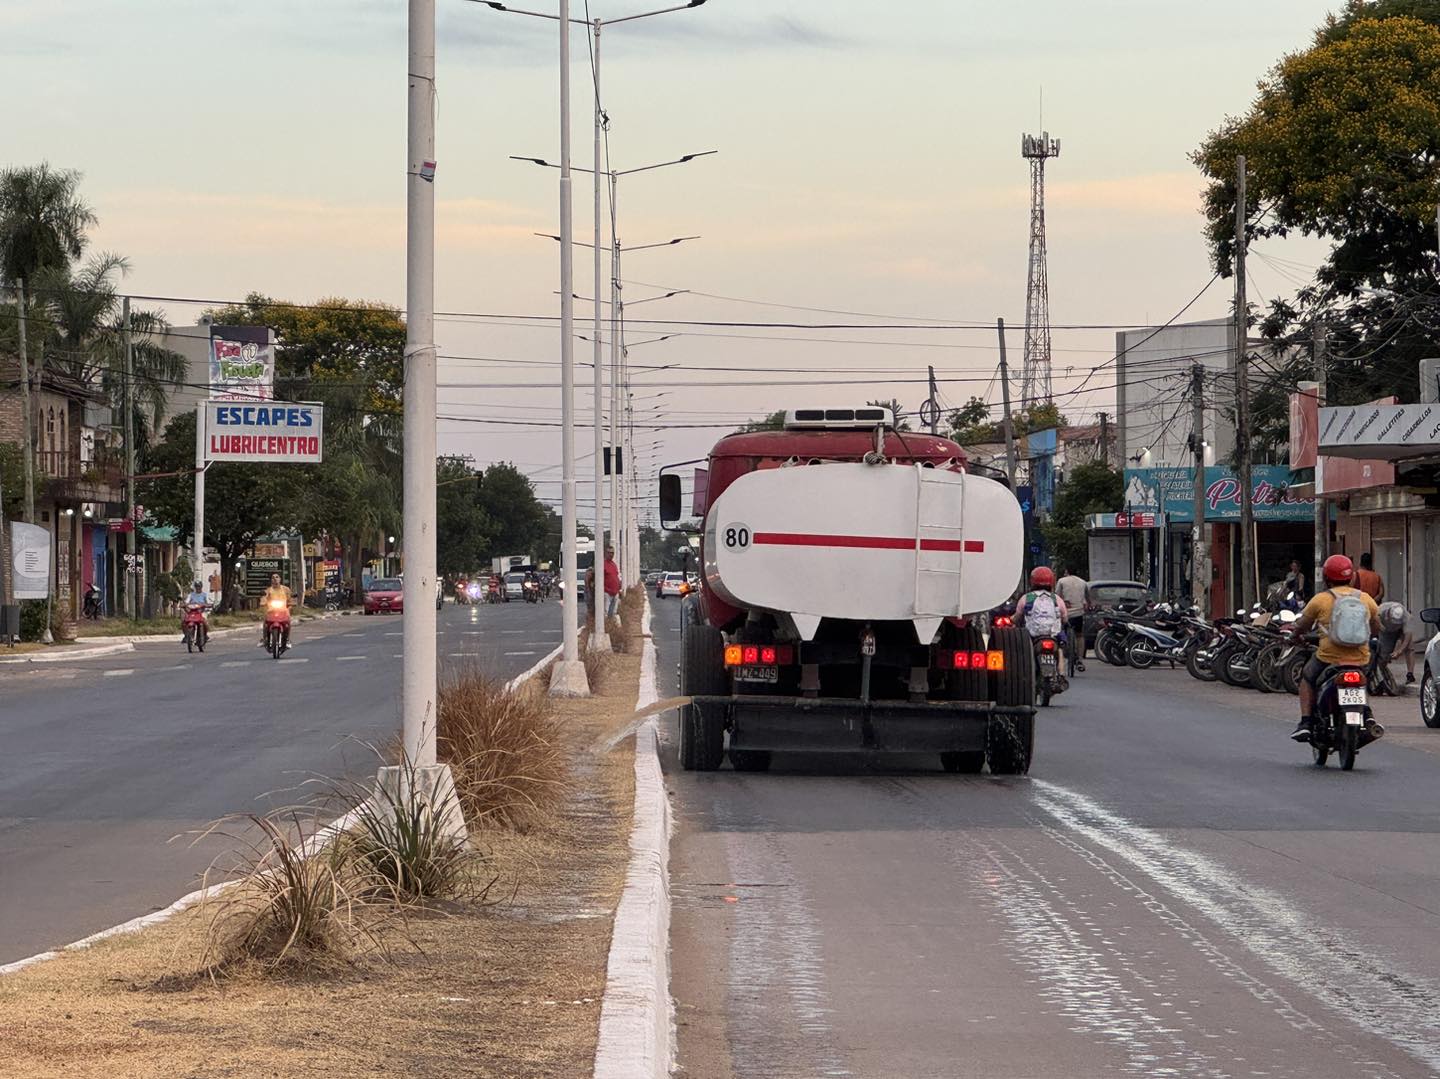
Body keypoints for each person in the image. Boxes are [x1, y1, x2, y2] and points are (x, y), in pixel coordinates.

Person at [1288, 553, 1382, 742]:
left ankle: (1306, 722)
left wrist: (1294, 636)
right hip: (1360, 657)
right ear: (1352, 576)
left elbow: (1302, 626)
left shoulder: (1320, 600)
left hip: (1328, 657)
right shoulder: (1365, 599)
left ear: (1326, 577)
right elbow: (1376, 627)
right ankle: (1368, 715)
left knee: (1307, 678)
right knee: (1363, 680)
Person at [1015, 566, 1069, 643]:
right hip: (1053, 635)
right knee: (1061, 645)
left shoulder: (1026, 598)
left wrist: (1010, 620)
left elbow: (1017, 616)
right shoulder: (1056, 598)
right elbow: (1065, 618)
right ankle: (1061, 654)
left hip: (1032, 636)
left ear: (1032, 581)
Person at [1054, 565, 1088, 671]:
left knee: (1060, 633)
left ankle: (1062, 655)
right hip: (1079, 613)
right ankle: (1080, 660)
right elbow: (1087, 598)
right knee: (1079, 635)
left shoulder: (1062, 581)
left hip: (1066, 614)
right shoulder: (1083, 582)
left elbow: (1057, 596)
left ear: (1066, 571)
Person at [1377, 600, 1416, 685]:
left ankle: (1410, 674)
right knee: (1383, 653)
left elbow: (1407, 636)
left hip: (1401, 630)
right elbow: (1374, 619)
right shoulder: (1381, 609)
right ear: (1388, 614)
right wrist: (1381, 628)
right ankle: (1381, 672)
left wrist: (1400, 650)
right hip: (1385, 630)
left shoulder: (1407, 617)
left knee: (1410, 648)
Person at [259, 572, 295, 646]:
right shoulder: (269, 590)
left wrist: (290, 605)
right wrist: (263, 602)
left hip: (283, 610)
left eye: (277, 577)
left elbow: (290, 600)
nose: (275, 579)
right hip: (271, 610)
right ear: (271, 580)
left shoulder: (286, 589)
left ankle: (287, 639)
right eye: (273, 577)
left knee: (288, 622)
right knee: (265, 623)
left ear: (280, 579)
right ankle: (264, 638)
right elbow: (264, 598)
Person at [603, 545, 622, 619]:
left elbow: (616, 576)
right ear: (605, 553)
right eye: (609, 552)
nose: (611, 554)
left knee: (614, 612)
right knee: (606, 612)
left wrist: (619, 589)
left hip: (615, 593)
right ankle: (606, 627)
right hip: (607, 593)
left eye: (612, 553)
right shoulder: (603, 564)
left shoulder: (614, 564)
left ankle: (612, 627)